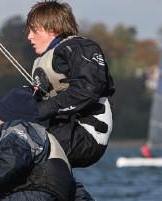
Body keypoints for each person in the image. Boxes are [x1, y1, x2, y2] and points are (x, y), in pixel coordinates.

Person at [27, 1, 115, 168]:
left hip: (87, 135)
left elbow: (88, 90)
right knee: (11, 136)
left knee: (21, 150)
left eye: (34, 30)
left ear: (52, 28)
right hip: (62, 132)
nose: (29, 36)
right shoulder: (44, 60)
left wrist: (38, 111)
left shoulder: (80, 47)